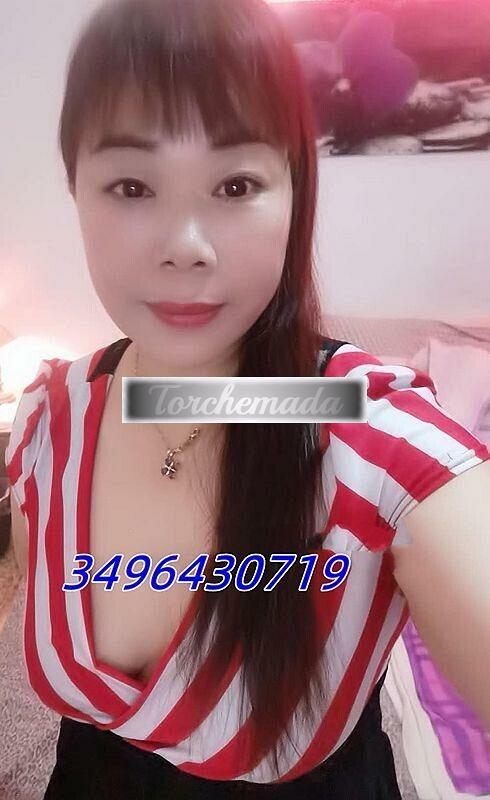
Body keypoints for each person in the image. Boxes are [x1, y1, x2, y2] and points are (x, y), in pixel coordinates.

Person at [6, 0, 490, 797]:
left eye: (235, 184)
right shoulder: (51, 417)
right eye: (131, 185)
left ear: (294, 192)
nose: (185, 248)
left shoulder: (368, 434)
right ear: (76, 189)